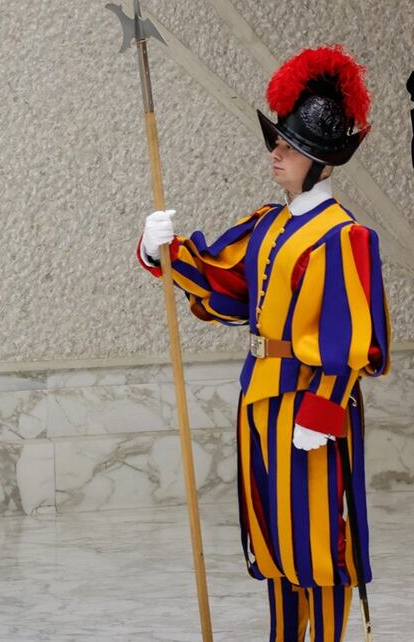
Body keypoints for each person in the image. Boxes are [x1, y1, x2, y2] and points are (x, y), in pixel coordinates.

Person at [138, 46, 390, 641]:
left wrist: (324, 411)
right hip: (262, 402)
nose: (275, 153)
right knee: (275, 537)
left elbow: (352, 340)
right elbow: (225, 284)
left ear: (321, 162)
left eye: (290, 146)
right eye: (277, 142)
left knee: (318, 543)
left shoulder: (346, 238)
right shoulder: (268, 224)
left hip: (311, 408)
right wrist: (164, 251)